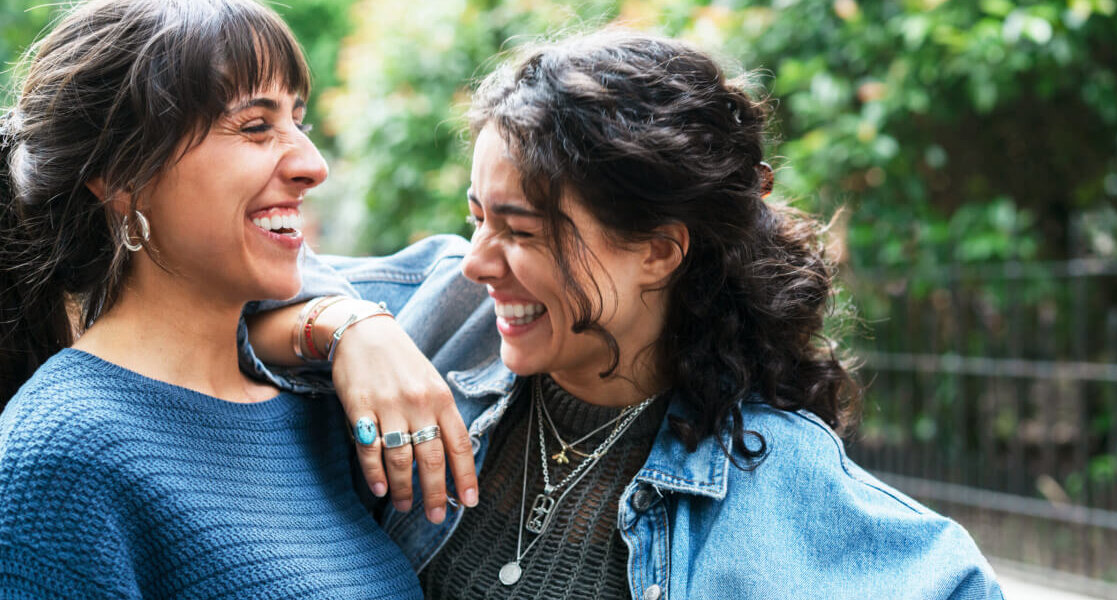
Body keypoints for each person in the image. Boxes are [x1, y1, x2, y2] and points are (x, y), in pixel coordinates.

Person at [245, 30, 1006, 599]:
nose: (479, 261)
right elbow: (225, 305)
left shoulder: (775, 478)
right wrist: (348, 331)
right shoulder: (452, 307)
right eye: (477, 218)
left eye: (522, 232)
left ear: (658, 251)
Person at [0, 0, 453, 596]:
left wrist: (356, 324)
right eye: (256, 126)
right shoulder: (60, 459)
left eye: (299, 123)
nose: (313, 165)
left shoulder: (322, 409)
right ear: (123, 178)